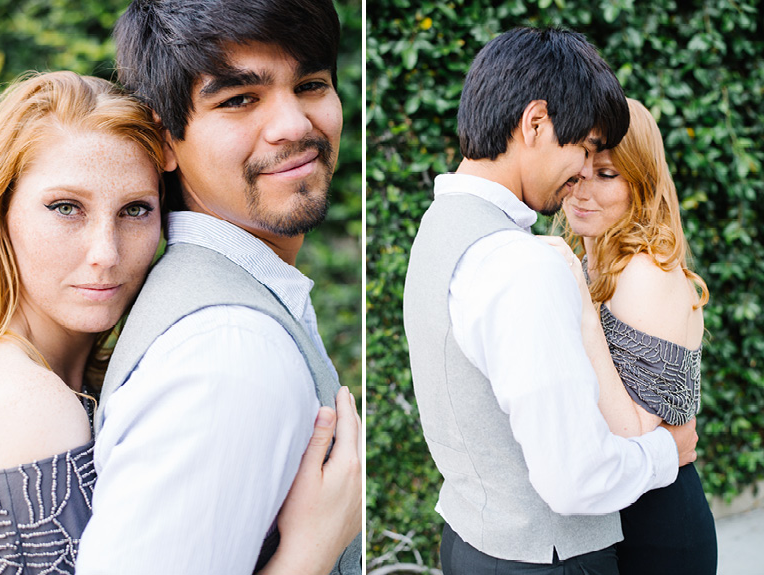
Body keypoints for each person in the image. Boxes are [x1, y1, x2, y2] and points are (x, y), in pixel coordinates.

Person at [0, 70, 359, 575]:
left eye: (134, 210)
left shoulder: (76, 376)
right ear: (0, 211)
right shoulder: (21, 405)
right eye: (66, 208)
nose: (105, 254)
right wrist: (311, 551)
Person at [75, 1, 362, 574]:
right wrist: (310, 555)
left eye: (310, 84)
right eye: (238, 99)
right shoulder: (227, 352)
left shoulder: (233, 311)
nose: (295, 125)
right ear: (165, 140)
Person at [402, 28, 698, 574]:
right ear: (535, 123)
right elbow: (576, 478)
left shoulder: (438, 227)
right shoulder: (524, 263)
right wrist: (667, 454)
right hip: (549, 558)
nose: (584, 171)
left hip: (471, 542)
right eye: (584, 147)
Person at [550, 98, 717, 574]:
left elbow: (634, 433)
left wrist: (580, 304)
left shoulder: (644, 270)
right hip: (608, 515)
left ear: (640, 181)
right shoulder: (592, 260)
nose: (582, 192)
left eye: (606, 175)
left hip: (657, 526)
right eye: (577, 171)